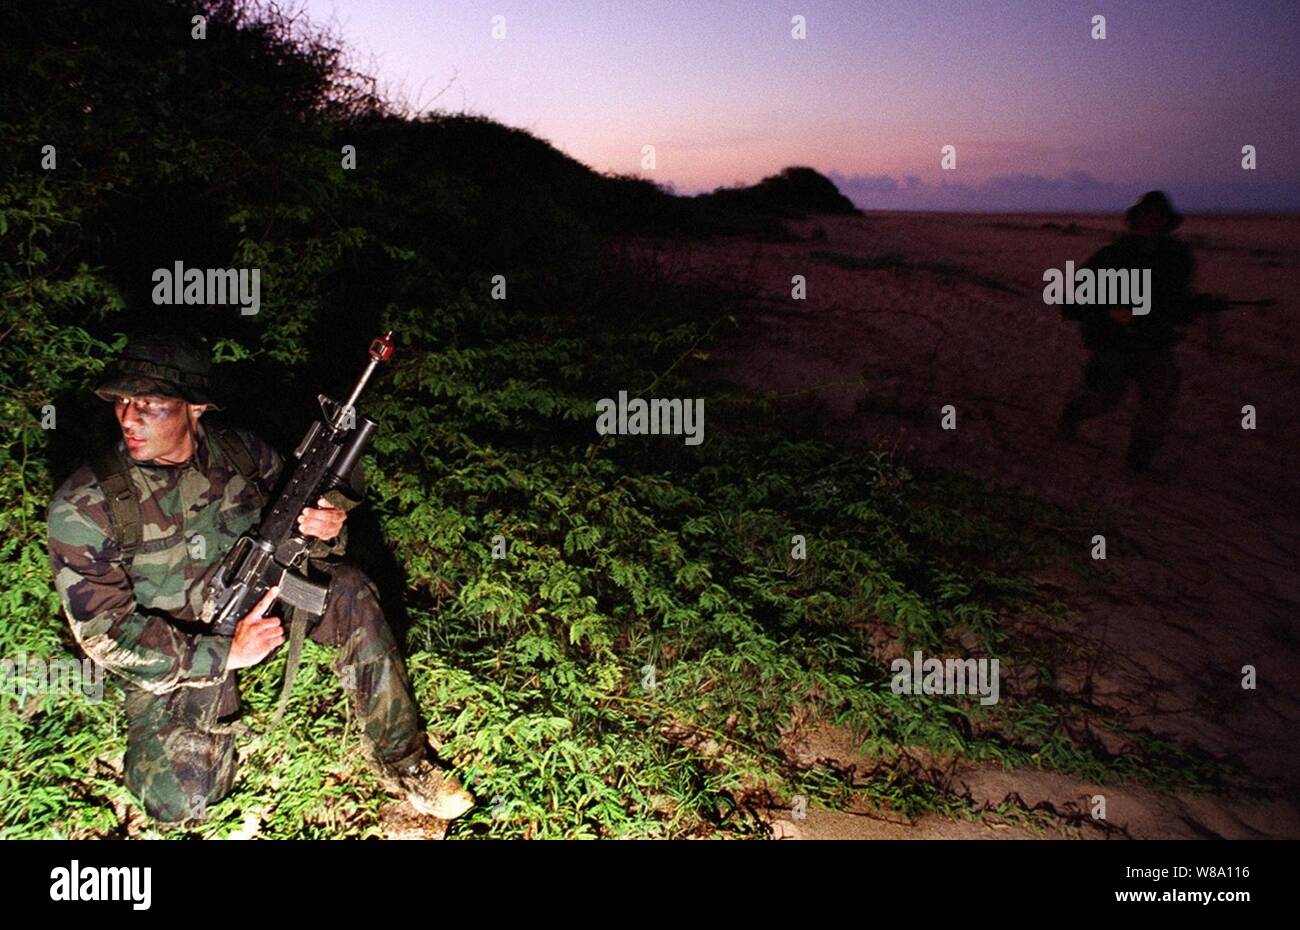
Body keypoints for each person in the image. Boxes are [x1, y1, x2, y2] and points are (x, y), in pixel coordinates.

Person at [46, 333, 474, 825]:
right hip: (179, 644)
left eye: (150, 403)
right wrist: (224, 653)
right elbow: (105, 635)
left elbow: (300, 525)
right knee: (181, 802)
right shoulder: (86, 504)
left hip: (263, 594)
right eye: (123, 401)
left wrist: (326, 526)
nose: (128, 417)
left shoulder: (239, 452)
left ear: (195, 408)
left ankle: (406, 762)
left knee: (349, 589)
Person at [1056, 191, 1217, 471]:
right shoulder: (1112, 256)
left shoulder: (1178, 258)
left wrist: (1195, 307)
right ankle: (1072, 415)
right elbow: (1070, 300)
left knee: (1159, 401)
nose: (1152, 223)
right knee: (1103, 398)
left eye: (1159, 217)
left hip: (1155, 344)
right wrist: (1110, 312)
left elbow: (1177, 302)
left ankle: (1139, 460)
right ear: (1135, 221)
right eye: (1147, 216)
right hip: (1114, 345)